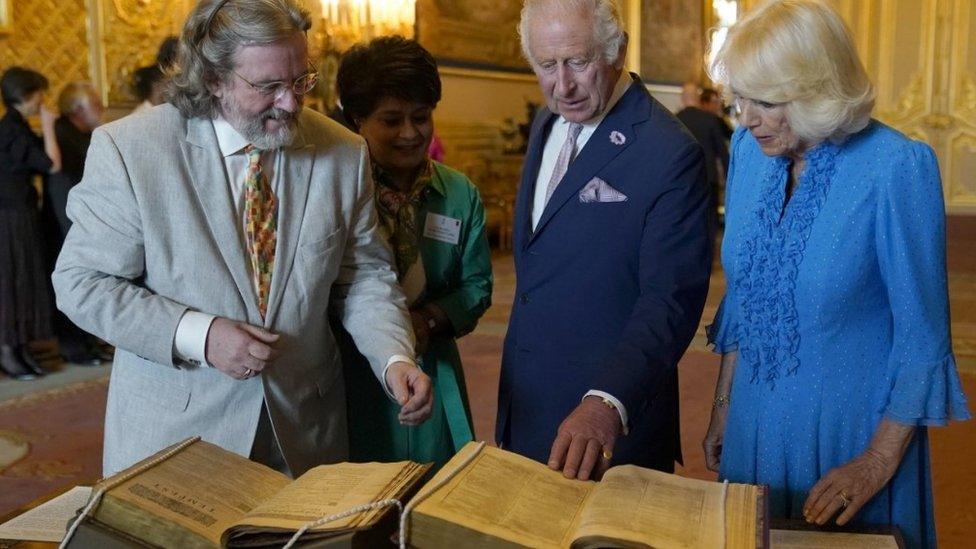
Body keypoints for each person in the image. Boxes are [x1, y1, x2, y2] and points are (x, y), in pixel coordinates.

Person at [53, 0, 433, 477]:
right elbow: (82, 282)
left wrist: (393, 356)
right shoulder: (131, 150)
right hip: (179, 434)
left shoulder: (342, 151)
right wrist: (200, 335)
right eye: (269, 86)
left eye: (300, 81)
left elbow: (364, 277)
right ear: (213, 79)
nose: (292, 102)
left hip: (303, 431)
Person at [702, 2, 970, 547]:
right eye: (741, 99)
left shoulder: (896, 167)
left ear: (818, 92)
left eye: (767, 102)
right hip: (754, 422)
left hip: (851, 438)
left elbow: (924, 341)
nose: (747, 117)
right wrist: (724, 406)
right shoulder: (750, 153)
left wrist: (875, 461)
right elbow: (748, 296)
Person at [498, 0, 711, 481]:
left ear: (617, 52)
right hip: (527, 404)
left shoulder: (669, 150)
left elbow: (670, 300)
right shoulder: (547, 120)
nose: (562, 84)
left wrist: (607, 401)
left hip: (611, 422)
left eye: (577, 61)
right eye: (546, 66)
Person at [336, 36, 492, 471]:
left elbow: (476, 286)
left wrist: (427, 321)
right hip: (350, 373)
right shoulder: (338, 190)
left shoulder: (458, 193)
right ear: (356, 120)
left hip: (433, 371)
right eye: (391, 120)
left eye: (421, 118)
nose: (410, 133)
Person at [0, 67, 61, 380]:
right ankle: (9, 351)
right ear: (26, 96)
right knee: (13, 284)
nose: (42, 100)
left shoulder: (15, 126)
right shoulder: (9, 130)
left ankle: (21, 348)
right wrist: (49, 126)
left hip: (20, 213)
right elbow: (51, 164)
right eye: (39, 93)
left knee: (23, 282)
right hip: (10, 218)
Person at [44, 82, 106, 366]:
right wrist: (76, 228)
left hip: (81, 222)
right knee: (73, 285)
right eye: (96, 103)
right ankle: (75, 348)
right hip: (65, 226)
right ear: (78, 108)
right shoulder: (62, 133)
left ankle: (90, 343)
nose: (102, 108)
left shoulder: (82, 135)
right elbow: (60, 185)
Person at [676, 84, 730, 231]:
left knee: (685, 224)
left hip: (681, 180)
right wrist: (729, 180)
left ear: (682, 99)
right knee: (710, 224)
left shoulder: (674, 120)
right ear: (698, 99)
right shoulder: (710, 120)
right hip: (708, 178)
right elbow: (723, 152)